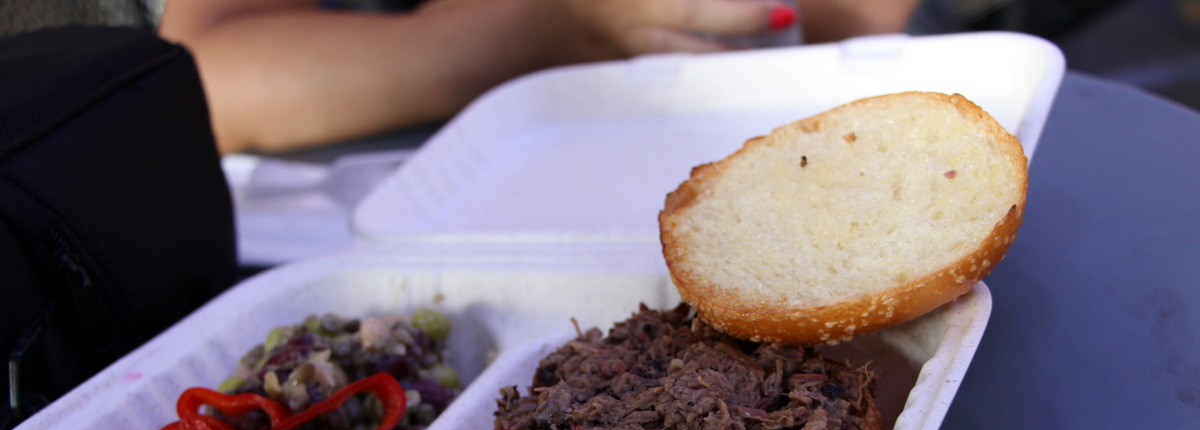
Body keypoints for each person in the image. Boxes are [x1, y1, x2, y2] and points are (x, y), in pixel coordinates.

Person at [158, 0, 921, 154]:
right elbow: (203, 81)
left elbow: (866, 19)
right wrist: (542, 29)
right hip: (423, 177)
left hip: (769, 125)